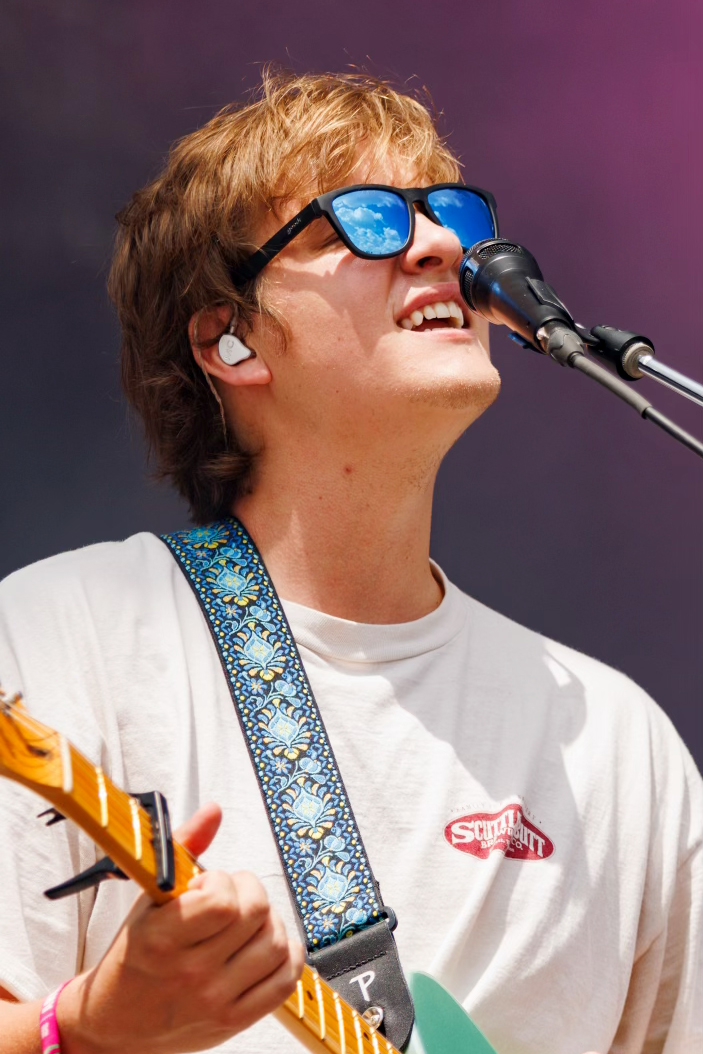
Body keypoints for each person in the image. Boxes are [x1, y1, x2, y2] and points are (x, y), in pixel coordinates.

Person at [0, 71, 700, 1054]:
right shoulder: (63, 639)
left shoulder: (616, 743)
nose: (442, 248)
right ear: (230, 338)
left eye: (445, 214)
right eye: (362, 221)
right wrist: (83, 1025)